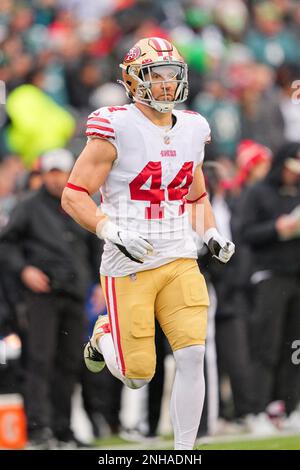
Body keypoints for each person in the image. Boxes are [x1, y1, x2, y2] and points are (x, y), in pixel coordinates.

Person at [61, 37, 235, 450]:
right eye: (156, 76)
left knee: (193, 355)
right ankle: (103, 334)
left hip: (178, 256)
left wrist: (210, 233)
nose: (166, 85)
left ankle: (184, 452)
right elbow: (73, 194)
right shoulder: (114, 125)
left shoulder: (193, 127)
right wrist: (111, 231)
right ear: (133, 80)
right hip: (129, 263)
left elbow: (195, 195)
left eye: (173, 76)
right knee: (138, 375)